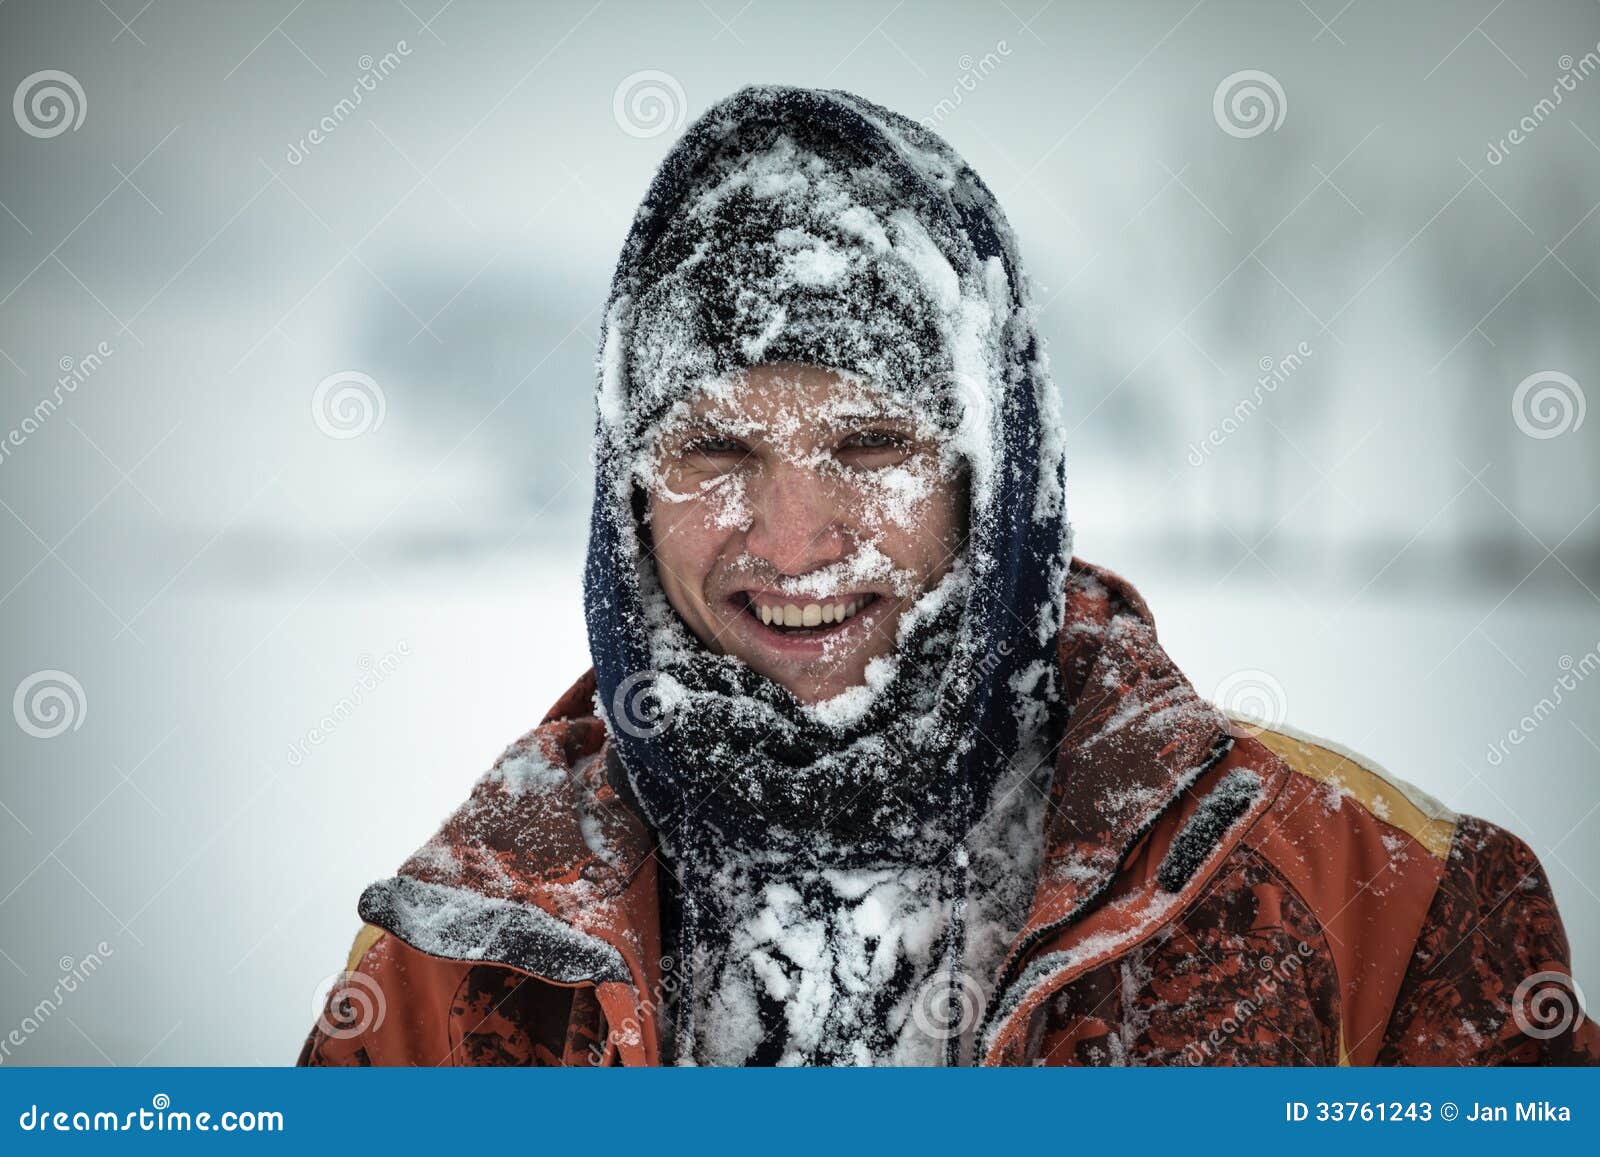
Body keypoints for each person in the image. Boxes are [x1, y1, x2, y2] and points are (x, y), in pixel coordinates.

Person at [299, 85, 1597, 1067]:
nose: (795, 536)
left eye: (871, 443)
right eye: (715, 448)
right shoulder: (456, 957)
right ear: (626, 490)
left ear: (999, 474)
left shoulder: (1381, 911)